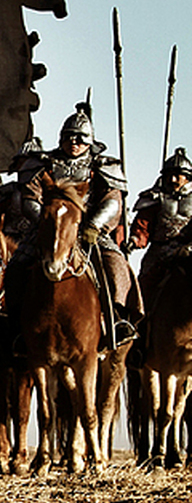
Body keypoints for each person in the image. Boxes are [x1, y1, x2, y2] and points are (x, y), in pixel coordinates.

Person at [35, 101, 139, 343]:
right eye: (69, 137)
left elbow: (113, 201)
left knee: (115, 265)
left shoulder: (103, 166)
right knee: (17, 265)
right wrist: (47, 222)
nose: (74, 143)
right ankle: (13, 324)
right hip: (51, 227)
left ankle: (117, 317)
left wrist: (94, 226)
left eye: (80, 138)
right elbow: (30, 196)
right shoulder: (44, 164)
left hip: (91, 231)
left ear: (89, 142)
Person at [131, 147, 192, 265]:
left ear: (187, 177)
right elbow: (143, 224)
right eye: (169, 176)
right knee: (146, 280)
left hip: (188, 250)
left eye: (177, 176)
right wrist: (135, 240)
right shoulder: (155, 197)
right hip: (159, 251)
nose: (172, 179)